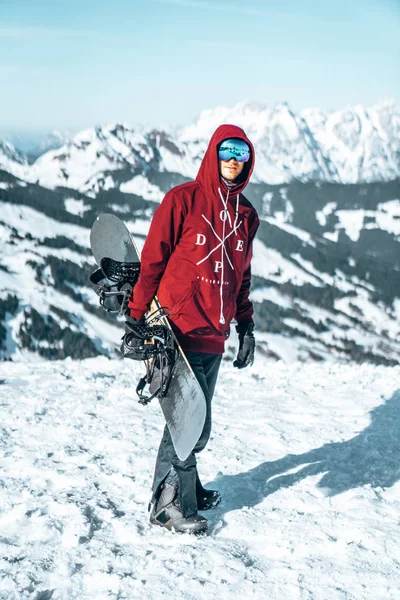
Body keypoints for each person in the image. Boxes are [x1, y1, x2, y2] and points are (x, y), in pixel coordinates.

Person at [127, 124, 259, 534]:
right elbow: (152, 261)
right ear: (213, 154)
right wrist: (136, 314)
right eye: (227, 151)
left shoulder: (246, 216)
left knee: (197, 420)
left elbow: (241, 277)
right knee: (186, 422)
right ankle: (167, 504)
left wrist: (246, 325)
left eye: (242, 152)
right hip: (174, 330)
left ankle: (189, 487)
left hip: (213, 335)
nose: (234, 159)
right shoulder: (182, 200)